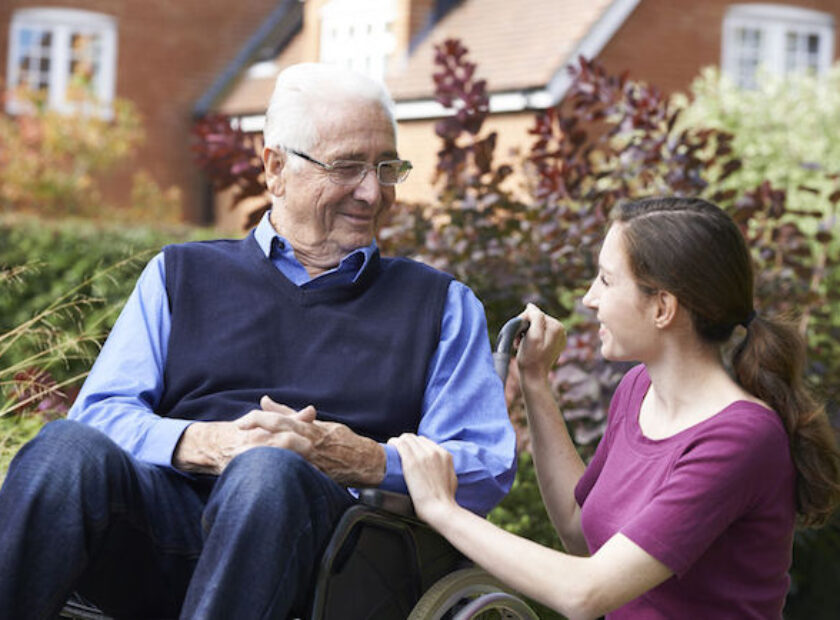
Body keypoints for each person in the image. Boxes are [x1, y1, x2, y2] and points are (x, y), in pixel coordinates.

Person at [0, 63, 517, 619]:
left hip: (331, 560)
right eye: (347, 167)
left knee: (267, 471)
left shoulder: (440, 304)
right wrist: (209, 443)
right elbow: (99, 414)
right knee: (63, 449)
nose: (372, 193)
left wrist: (364, 458)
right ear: (276, 167)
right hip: (161, 532)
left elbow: (484, 466)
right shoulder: (180, 274)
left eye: (386, 167)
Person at [392, 196, 840, 619]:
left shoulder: (739, 439)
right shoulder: (637, 389)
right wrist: (534, 383)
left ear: (662, 306)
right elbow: (580, 533)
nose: (590, 299)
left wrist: (441, 510)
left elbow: (585, 593)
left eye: (606, 280)